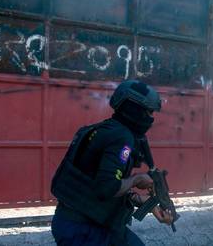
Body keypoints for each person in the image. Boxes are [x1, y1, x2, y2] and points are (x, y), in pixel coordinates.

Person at [50, 80, 173, 245]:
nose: (151, 118)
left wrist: (143, 202)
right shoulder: (121, 138)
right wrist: (136, 180)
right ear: (136, 110)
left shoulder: (99, 130)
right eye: (150, 112)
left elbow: (95, 183)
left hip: (74, 222)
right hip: (84, 230)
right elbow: (106, 188)